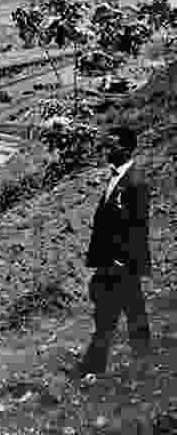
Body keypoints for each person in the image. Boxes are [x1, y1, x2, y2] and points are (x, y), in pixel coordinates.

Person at [71, 124, 152, 378]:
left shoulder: (135, 182)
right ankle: (144, 356)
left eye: (113, 144)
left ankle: (93, 367)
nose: (108, 148)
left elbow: (137, 227)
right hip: (115, 260)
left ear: (126, 148)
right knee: (133, 307)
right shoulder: (118, 176)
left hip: (121, 261)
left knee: (106, 316)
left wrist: (121, 260)